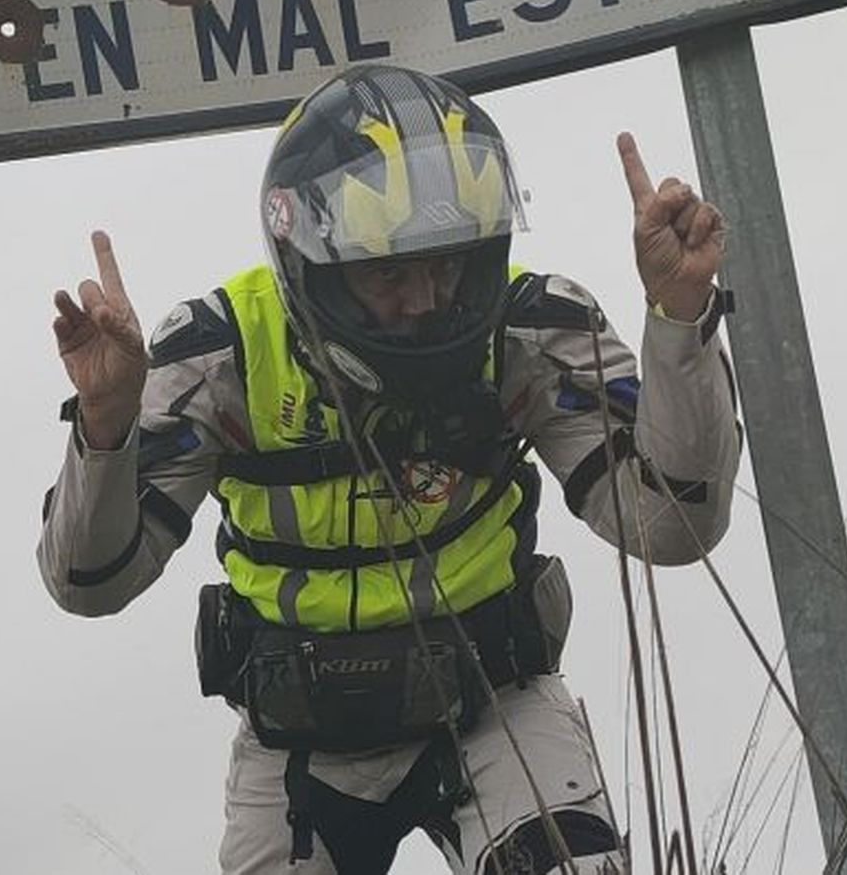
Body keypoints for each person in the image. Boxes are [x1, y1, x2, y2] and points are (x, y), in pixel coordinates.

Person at [37, 64, 740, 875]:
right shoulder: (219, 351)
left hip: (495, 701)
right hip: (298, 737)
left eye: (448, 266)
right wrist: (106, 420)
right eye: (388, 273)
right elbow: (88, 582)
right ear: (308, 262)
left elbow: (673, 526)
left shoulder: (530, 326)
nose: (425, 301)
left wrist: (680, 315)